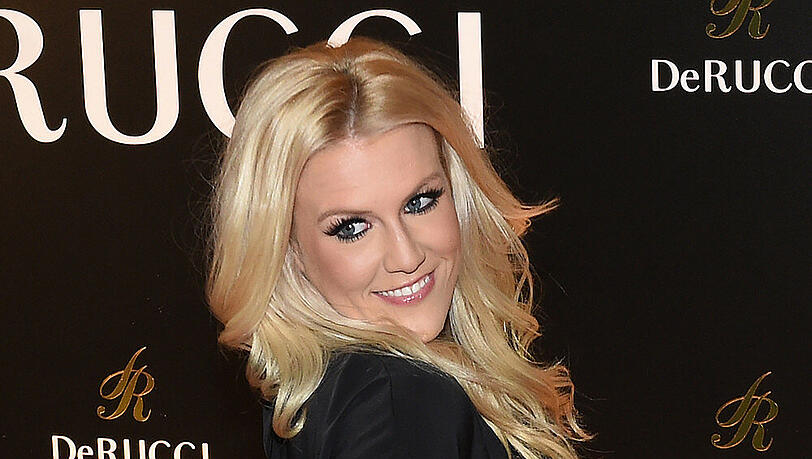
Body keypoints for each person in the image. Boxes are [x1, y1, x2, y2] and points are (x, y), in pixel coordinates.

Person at [206, 37, 588, 459]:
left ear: (458, 192)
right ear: (288, 250)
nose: (407, 257)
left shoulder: (336, 392)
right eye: (352, 227)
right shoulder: (393, 400)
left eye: (420, 202)